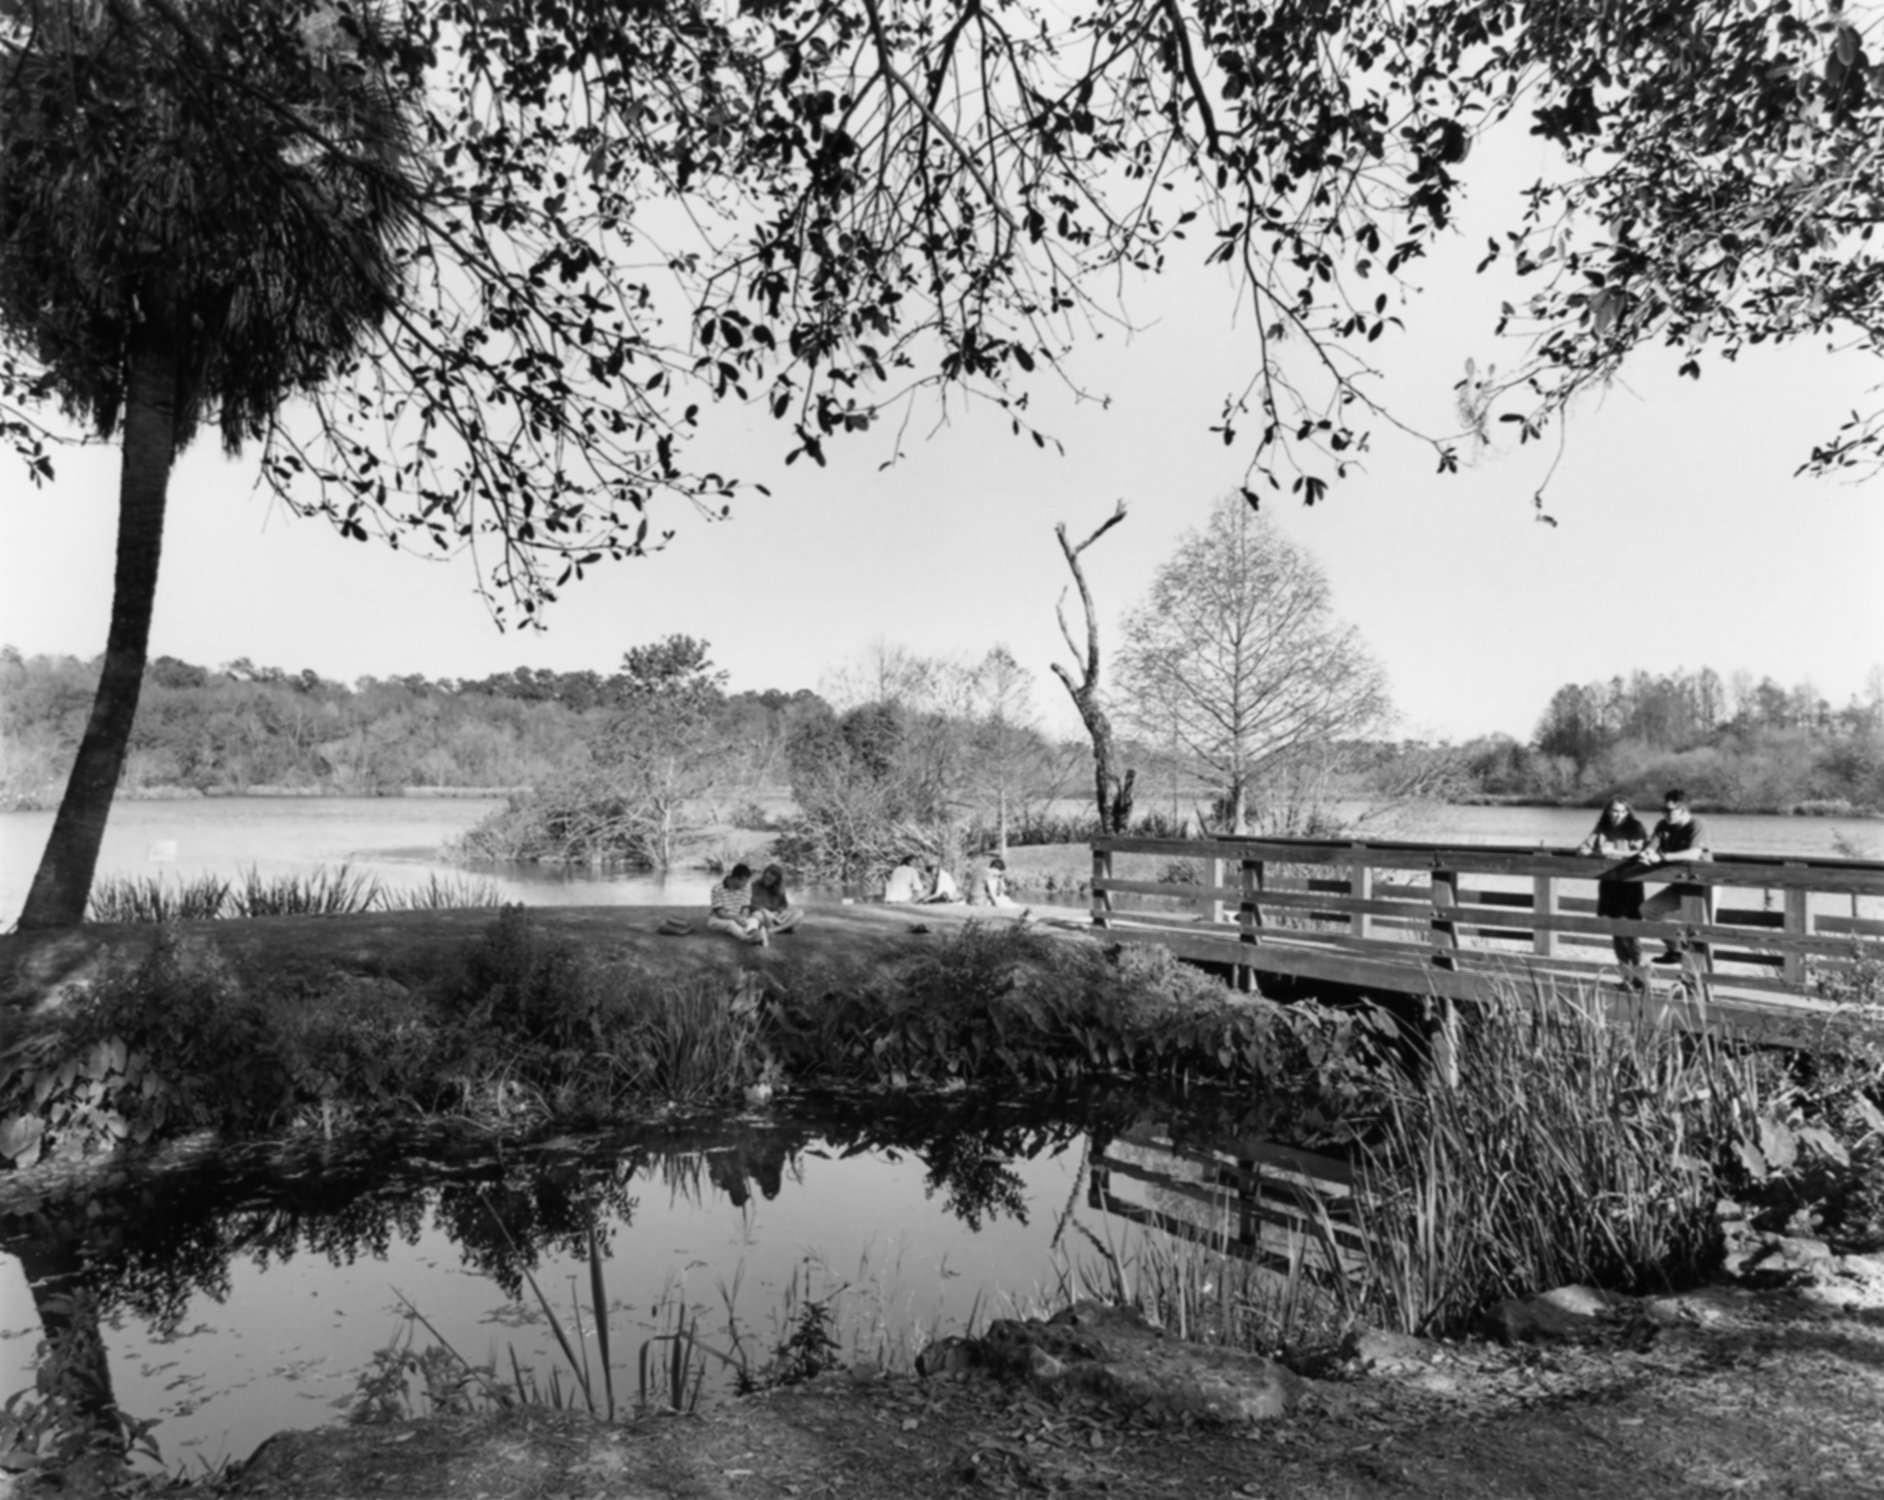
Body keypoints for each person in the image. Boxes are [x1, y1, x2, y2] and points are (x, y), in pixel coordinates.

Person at [1637, 789, 1713, 965]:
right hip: (1679, 884)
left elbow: (1695, 853)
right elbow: (1651, 847)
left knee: (1699, 932)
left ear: (1683, 810)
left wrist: (1663, 857)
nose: (1664, 814)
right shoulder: (1663, 825)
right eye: (1663, 810)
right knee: (1648, 909)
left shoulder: (1698, 824)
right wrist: (1645, 855)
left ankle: (1699, 984)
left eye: (1669, 811)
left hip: (1703, 886)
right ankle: (1676, 949)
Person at [1577, 797, 1649, 971]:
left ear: (1628, 812)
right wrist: (1590, 852)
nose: (1618, 815)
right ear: (1608, 812)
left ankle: (1640, 974)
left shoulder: (1636, 827)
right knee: (1616, 929)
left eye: (1623, 811)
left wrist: (1614, 852)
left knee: (1631, 930)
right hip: (1610, 883)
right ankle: (1626, 976)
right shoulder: (1602, 828)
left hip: (1630, 882)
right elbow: (1582, 849)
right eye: (1615, 811)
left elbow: (1642, 852)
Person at [707, 862, 768, 945]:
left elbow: (745, 907)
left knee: (753, 919)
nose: (746, 884)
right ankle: (747, 938)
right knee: (731, 923)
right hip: (718, 919)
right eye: (744, 881)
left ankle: (754, 933)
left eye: (747, 881)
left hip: (737, 917)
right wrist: (736, 918)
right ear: (735, 878)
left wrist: (743, 918)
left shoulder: (746, 887)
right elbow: (720, 913)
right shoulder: (717, 888)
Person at [748, 863, 803, 934]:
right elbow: (752, 904)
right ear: (764, 874)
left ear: (776, 880)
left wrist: (779, 911)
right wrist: (764, 911)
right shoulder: (755, 885)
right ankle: (784, 927)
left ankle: (774, 930)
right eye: (766, 877)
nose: (767, 880)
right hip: (763, 915)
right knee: (756, 916)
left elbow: (784, 905)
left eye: (770, 879)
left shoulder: (779, 889)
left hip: (776, 916)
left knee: (799, 913)